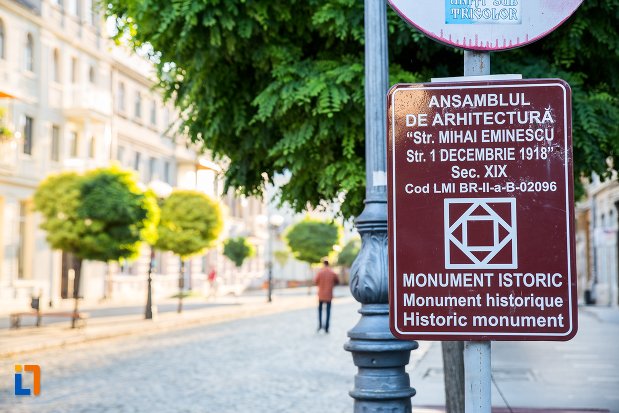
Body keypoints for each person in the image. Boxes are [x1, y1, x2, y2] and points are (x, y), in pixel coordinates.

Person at [314, 259, 339, 333]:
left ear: (323, 264)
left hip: (321, 295)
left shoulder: (320, 272)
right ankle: (327, 327)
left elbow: (315, 281)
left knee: (320, 311)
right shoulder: (332, 272)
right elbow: (337, 281)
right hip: (329, 295)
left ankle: (320, 325)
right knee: (328, 311)